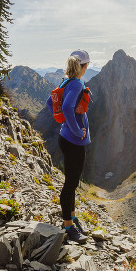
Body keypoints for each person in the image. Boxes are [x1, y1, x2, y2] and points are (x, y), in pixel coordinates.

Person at [47, 49, 92, 243]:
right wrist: (75, 130)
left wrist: (65, 124)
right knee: (70, 184)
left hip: (66, 138)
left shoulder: (65, 81)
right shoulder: (76, 84)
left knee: (71, 183)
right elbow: (66, 107)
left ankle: (72, 218)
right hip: (74, 141)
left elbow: (51, 103)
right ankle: (68, 227)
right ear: (84, 66)